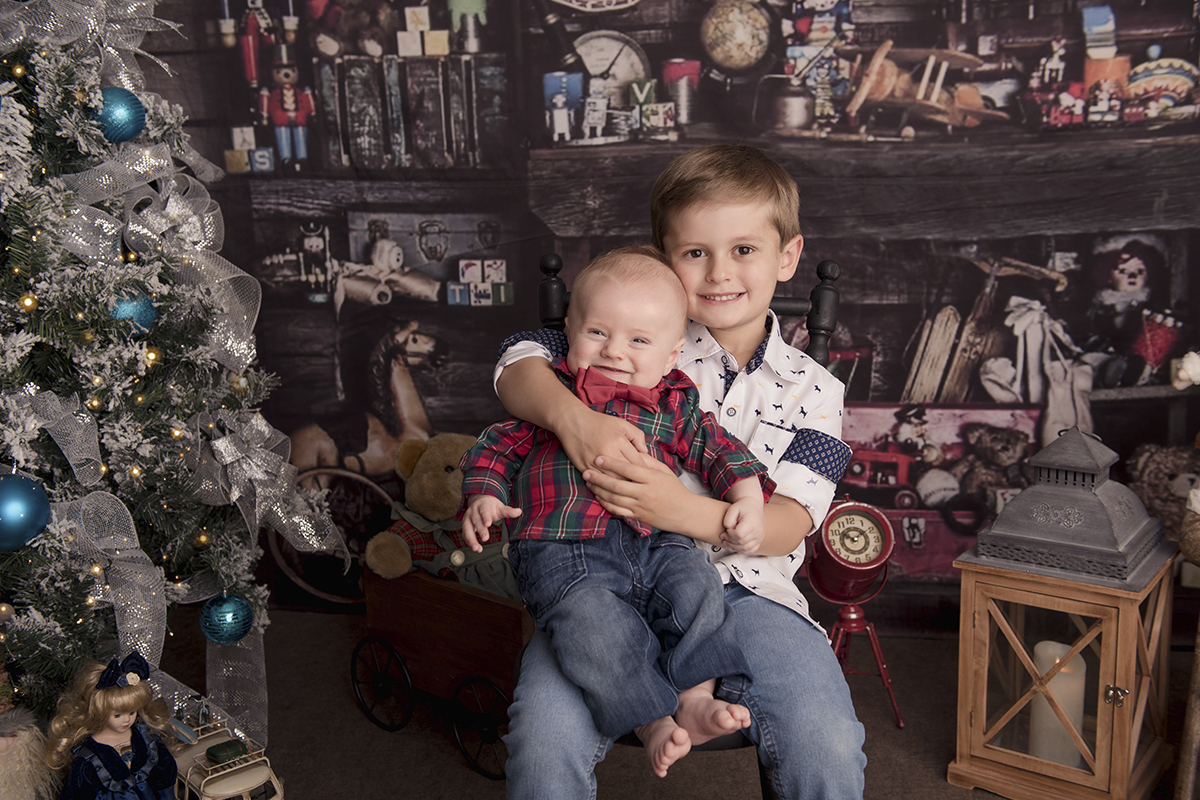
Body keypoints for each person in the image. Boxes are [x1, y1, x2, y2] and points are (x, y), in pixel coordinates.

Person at [494, 143, 866, 799]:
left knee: (825, 739)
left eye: (744, 250)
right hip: (602, 580)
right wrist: (575, 420)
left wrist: (676, 510)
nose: (719, 272)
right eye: (695, 252)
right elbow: (517, 363)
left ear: (787, 256)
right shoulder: (630, 335)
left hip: (750, 592)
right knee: (542, 736)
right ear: (665, 259)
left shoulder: (817, 391)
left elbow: (790, 523)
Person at [460, 245, 773, 776]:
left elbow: (717, 448)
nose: (614, 352)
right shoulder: (556, 392)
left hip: (658, 544)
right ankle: (650, 718)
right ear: (570, 332)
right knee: (592, 629)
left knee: (697, 587)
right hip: (565, 552)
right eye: (597, 333)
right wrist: (484, 494)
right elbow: (496, 444)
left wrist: (744, 494)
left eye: (639, 341)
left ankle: (695, 696)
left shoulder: (676, 402)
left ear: (672, 355)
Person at [45, 652, 178, 800]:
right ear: (100, 711)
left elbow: (164, 781)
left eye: (132, 712)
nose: (126, 720)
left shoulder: (147, 741)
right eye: (117, 715)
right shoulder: (88, 760)